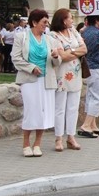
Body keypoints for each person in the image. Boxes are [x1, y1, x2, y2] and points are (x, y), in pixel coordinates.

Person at [12, 9, 64, 157]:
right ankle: (26, 143)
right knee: (31, 110)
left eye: (47, 22)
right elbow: (16, 58)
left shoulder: (50, 40)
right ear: (34, 22)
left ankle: (37, 144)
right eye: (43, 22)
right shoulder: (21, 37)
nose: (46, 26)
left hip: (47, 80)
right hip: (29, 80)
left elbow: (57, 62)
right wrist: (31, 68)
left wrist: (55, 56)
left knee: (44, 112)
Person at [50, 9, 87, 151]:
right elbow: (61, 56)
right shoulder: (53, 35)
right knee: (60, 108)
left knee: (73, 107)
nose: (72, 20)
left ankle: (71, 136)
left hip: (75, 74)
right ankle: (58, 138)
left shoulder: (74, 32)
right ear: (63, 20)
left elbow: (84, 49)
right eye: (70, 18)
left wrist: (69, 52)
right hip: (61, 75)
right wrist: (74, 52)